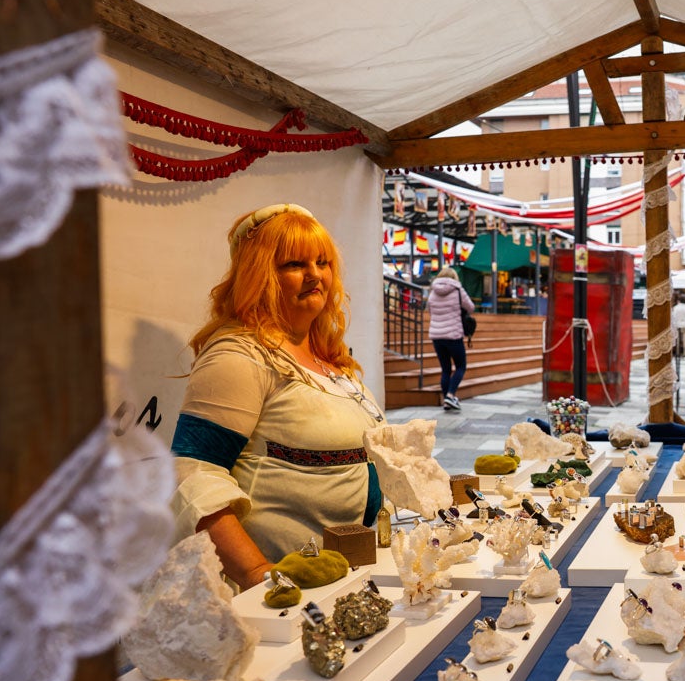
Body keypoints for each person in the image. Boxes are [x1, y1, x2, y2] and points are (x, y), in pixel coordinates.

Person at [171, 204, 386, 589]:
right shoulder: (239, 356)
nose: (315, 275)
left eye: (323, 262)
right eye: (294, 264)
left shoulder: (330, 360)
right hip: (280, 591)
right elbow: (193, 474)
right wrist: (256, 573)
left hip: (344, 576)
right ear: (260, 274)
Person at [428, 265, 474, 411]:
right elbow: (470, 307)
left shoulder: (433, 292)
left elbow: (429, 310)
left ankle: (447, 400)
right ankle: (450, 395)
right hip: (453, 335)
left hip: (437, 336)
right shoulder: (458, 290)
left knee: (445, 369)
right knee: (461, 366)